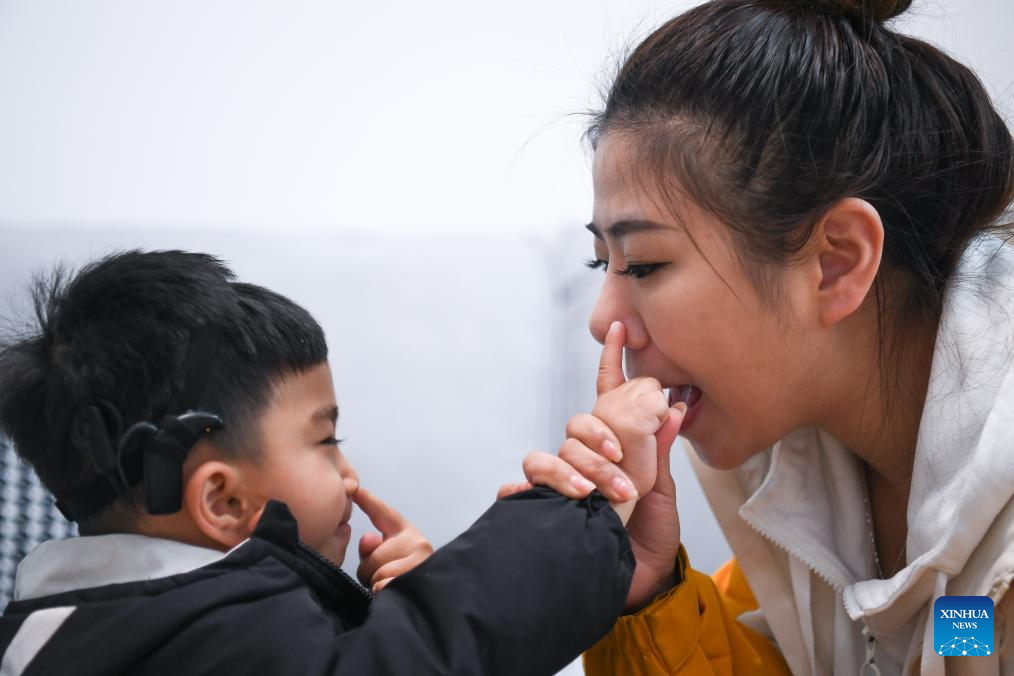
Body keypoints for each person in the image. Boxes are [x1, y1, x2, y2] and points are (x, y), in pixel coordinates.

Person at [509, 0, 1014, 673]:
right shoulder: (787, 470)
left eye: (645, 264)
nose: (603, 321)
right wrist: (644, 593)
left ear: (836, 262)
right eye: (604, 264)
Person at [0, 249, 681, 675]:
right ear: (222, 501)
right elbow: (428, 655)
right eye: (327, 442)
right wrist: (590, 497)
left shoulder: (84, 630)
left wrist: (380, 615)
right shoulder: (209, 639)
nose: (349, 478)